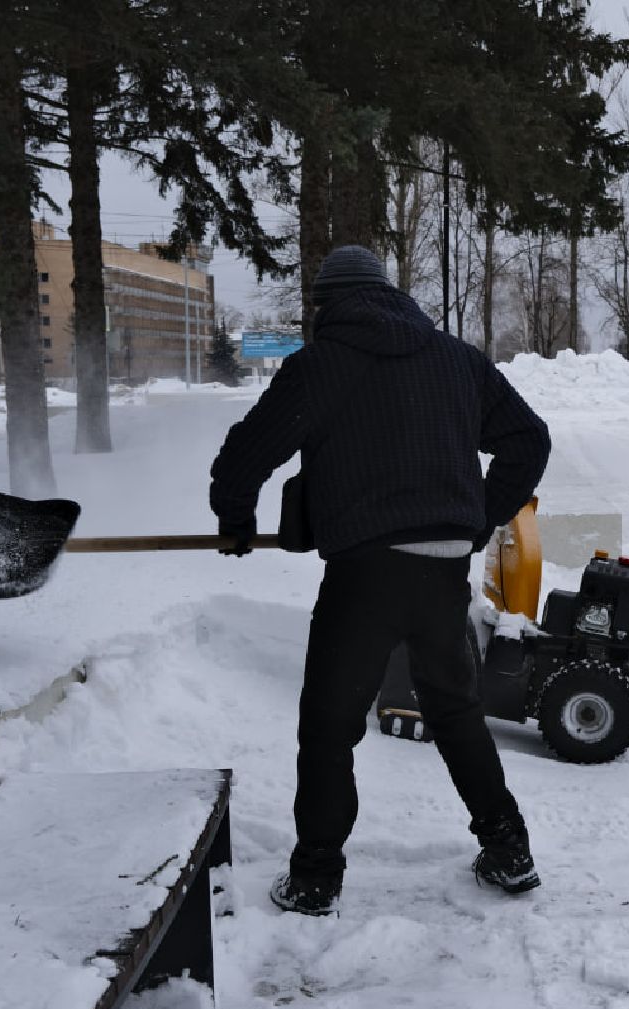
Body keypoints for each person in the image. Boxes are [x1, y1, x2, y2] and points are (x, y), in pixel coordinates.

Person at [209, 244, 552, 914]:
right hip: (442, 569)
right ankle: (509, 851)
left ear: (326, 305)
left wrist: (236, 521)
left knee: (330, 724)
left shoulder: (321, 365)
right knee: (456, 713)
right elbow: (527, 440)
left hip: (364, 573)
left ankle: (315, 878)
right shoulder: (456, 360)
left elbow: (245, 454)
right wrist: (476, 518)